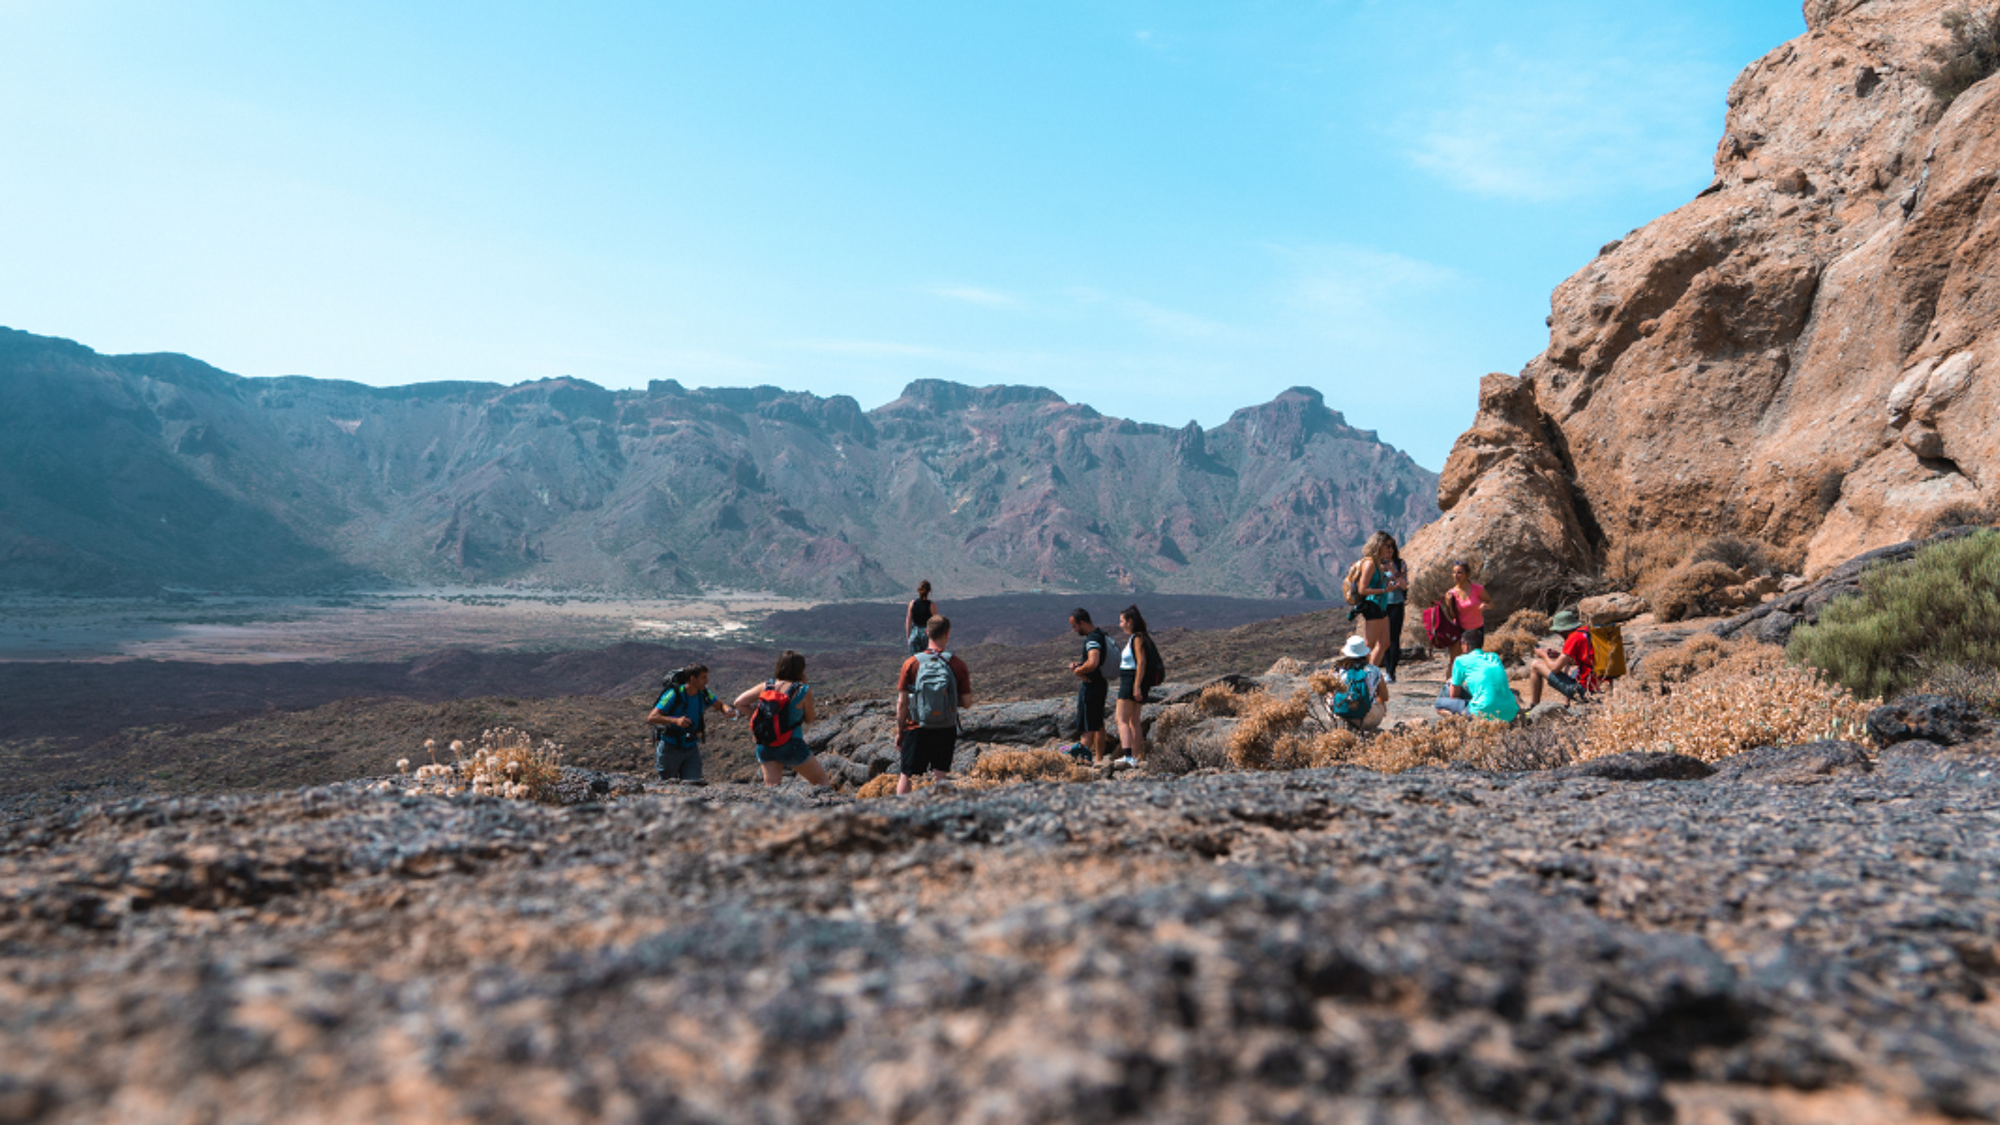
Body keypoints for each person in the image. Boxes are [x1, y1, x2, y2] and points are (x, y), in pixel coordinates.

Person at [895, 615, 973, 795]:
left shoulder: (911, 663)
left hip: (917, 727)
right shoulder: (957, 664)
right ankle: (941, 809)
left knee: (906, 776)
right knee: (940, 775)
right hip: (945, 727)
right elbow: (967, 702)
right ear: (947, 634)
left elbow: (902, 703)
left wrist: (900, 732)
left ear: (926, 633)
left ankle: (900, 810)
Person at [733, 650, 833, 788]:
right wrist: (805, 685)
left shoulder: (767, 686)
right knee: (821, 782)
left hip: (766, 744)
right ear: (800, 669)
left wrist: (762, 717)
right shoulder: (802, 691)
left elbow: (739, 702)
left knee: (772, 789)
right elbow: (810, 719)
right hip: (791, 745)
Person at [646, 664, 736, 783]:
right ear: (693, 679)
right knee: (667, 785)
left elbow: (720, 705)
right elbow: (652, 717)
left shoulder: (704, 693)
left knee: (693, 785)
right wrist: (676, 721)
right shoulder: (674, 694)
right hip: (670, 747)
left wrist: (727, 710)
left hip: (691, 747)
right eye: (703, 678)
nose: (707, 681)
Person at [1064, 608, 1111, 763]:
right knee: (1098, 724)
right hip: (1101, 684)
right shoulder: (1100, 634)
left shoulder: (1092, 639)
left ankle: (1080, 762)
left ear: (1082, 623)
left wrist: (1079, 671)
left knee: (1088, 727)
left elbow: (1093, 662)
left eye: (1075, 626)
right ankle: (1099, 760)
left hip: (1091, 686)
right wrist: (1081, 665)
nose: (1074, 630)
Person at [1113, 605, 1158, 766]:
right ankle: (1134, 756)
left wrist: (1136, 686)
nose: (1120, 624)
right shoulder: (1138, 637)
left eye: (1122, 621)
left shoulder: (1137, 638)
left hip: (1131, 680)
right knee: (1133, 720)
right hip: (1134, 680)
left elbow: (1141, 662)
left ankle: (1128, 756)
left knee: (1121, 719)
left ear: (1130, 621)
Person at [1527, 609, 1597, 708]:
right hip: (1599, 686)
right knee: (1566, 664)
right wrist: (1559, 655)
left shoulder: (1573, 638)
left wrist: (1543, 655)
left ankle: (1533, 707)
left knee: (1535, 665)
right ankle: (1566, 704)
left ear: (1563, 630)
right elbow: (1585, 660)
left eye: (1557, 631)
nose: (1558, 634)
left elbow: (1555, 669)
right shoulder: (1586, 632)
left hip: (1584, 691)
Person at [1345, 532, 1395, 668]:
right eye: (1387, 546)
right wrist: (1384, 590)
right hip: (1373, 605)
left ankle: (1372, 672)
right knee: (1369, 645)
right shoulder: (1370, 563)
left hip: (1381, 605)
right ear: (1379, 545)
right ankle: (1357, 672)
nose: (1390, 549)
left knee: (1384, 643)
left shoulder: (1377, 563)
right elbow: (1363, 589)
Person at [1435, 647, 1520, 722]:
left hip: (1481, 712)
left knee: (1439, 703)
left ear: (1466, 645)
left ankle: (1459, 721)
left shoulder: (1461, 660)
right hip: (1510, 712)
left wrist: (1452, 683)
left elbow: (1453, 695)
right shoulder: (1495, 657)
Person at [1326, 635, 1390, 730]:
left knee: (1328, 696)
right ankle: (1365, 725)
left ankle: (1340, 723)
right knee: (1381, 703)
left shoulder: (1336, 669)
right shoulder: (1374, 670)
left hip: (1339, 716)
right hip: (1366, 719)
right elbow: (1384, 697)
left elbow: (1330, 692)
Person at [1443, 560, 1493, 677]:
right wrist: (1449, 604)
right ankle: (1449, 685)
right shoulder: (1451, 593)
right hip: (1459, 629)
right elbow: (1452, 615)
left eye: (1459, 573)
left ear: (1467, 574)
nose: (1456, 575)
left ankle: (1473, 685)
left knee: (1473, 661)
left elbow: (1491, 602)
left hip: (1476, 630)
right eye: (1454, 572)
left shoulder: (1478, 589)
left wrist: (1486, 606)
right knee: (1454, 660)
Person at [1381, 536, 1411, 684]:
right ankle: (1386, 668)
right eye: (1387, 547)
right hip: (1382, 604)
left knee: (1394, 638)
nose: (1389, 550)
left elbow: (1404, 586)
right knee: (1383, 639)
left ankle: (1391, 672)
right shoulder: (1378, 564)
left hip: (1396, 604)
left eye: (1391, 547)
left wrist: (1395, 572)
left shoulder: (1400, 564)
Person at [905, 580, 937, 654]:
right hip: (926, 634)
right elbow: (936, 623)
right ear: (929, 591)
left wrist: (909, 637)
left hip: (915, 633)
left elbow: (908, 621)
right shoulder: (931, 605)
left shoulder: (912, 603)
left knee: (915, 658)